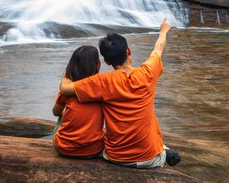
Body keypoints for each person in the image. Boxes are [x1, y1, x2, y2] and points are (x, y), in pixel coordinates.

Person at [59, 18, 180, 168]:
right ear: (128, 51)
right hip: (149, 159)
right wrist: (164, 30)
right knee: (149, 127)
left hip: (115, 157)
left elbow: (65, 89)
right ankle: (163, 149)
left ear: (107, 62)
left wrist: (67, 72)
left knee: (104, 133)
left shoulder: (101, 81)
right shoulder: (148, 73)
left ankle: (163, 148)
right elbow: (158, 48)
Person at [52, 45, 104, 158]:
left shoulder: (66, 91)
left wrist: (65, 78)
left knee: (61, 115)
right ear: (97, 65)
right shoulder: (102, 89)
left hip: (64, 148)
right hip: (94, 150)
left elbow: (55, 112)